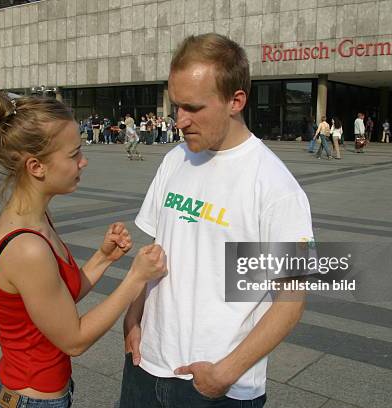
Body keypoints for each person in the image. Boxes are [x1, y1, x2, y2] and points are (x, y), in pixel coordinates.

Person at [120, 33, 313, 408]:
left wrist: (225, 372)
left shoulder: (274, 186)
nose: (180, 120)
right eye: (176, 106)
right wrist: (133, 321)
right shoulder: (175, 159)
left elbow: (291, 299)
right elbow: (153, 253)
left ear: (235, 101)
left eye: (193, 107)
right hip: (147, 364)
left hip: (218, 385)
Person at [0, 94, 167, 408]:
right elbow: (74, 339)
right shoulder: (27, 247)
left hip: (30, 393)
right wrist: (135, 279)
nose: (83, 161)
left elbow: (57, 298)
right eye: (74, 154)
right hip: (29, 399)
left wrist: (103, 257)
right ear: (36, 166)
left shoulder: (34, 218)